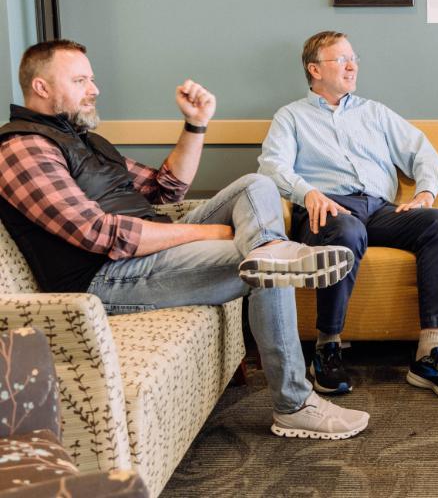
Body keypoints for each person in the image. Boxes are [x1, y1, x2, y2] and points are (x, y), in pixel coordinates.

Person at [0, 39, 369, 441]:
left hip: (149, 251)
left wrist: (196, 123)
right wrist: (205, 231)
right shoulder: (21, 147)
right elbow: (99, 233)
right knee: (267, 267)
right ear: (41, 87)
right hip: (105, 277)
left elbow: (164, 189)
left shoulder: (83, 139)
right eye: (80, 80)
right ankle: (294, 404)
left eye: (91, 78)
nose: (94, 88)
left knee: (256, 185)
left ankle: (269, 248)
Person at [257, 30, 438, 400]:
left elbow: (423, 152)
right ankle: (328, 347)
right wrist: (308, 193)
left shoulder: (375, 112)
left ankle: (429, 353)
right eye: (341, 59)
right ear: (314, 69)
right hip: (327, 211)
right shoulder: (291, 117)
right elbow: (271, 167)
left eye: (353, 58)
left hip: (380, 208)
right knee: (347, 231)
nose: (352, 65)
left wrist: (424, 192)